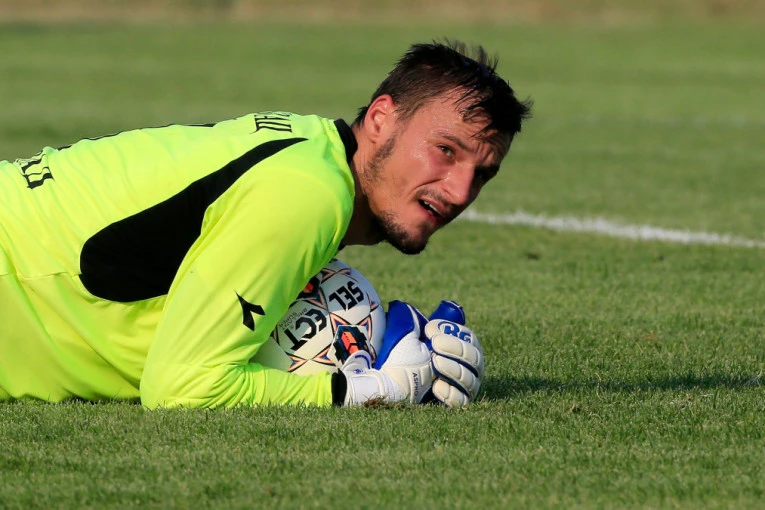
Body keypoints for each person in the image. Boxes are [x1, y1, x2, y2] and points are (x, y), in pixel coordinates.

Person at [0, 40, 532, 408]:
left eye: (481, 174)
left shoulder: (311, 150)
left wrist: (383, 341)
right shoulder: (307, 194)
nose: (460, 192)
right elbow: (183, 387)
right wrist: (375, 390)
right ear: (380, 119)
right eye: (445, 151)